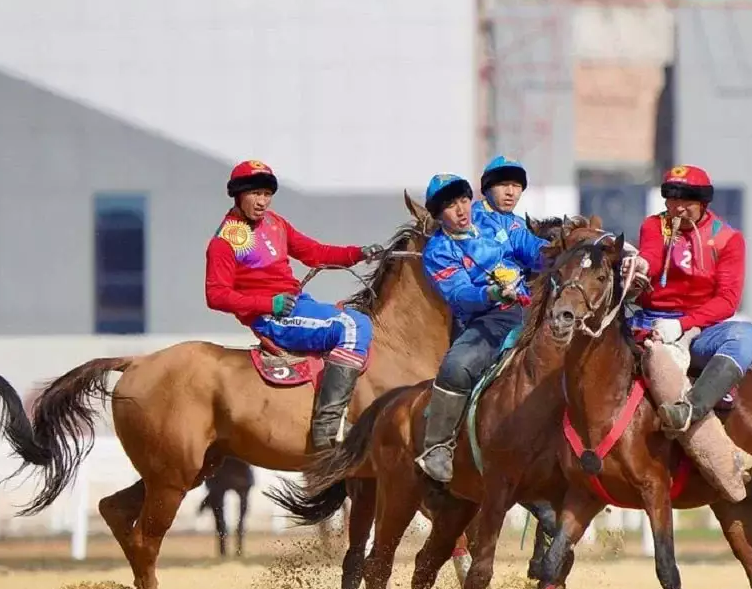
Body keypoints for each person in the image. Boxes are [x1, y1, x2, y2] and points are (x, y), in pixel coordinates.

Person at [205, 160, 383, 451]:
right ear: (238, 195)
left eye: (266, 194)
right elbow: (216, 295)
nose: (262, 201)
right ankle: (327, 427)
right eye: (255, 194)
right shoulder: (224, 242)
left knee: (362, 318)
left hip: (299, 304)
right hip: (273, 318)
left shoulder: (275, 222)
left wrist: (358, 253)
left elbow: (313, 252)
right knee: (353, 326)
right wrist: (269, 303)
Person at [415, 173, 549, 486]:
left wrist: (573, 246)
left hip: (535, 308)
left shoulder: (497, 223)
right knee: (457, 365)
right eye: (450, 206)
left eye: (463, 200)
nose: (461, 210)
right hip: (489, 317)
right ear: (438, 215)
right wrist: (492, 294)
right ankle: (437, 446)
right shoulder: (438, 251)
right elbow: (459, 294)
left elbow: (534, 249)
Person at [629, 164, 752, 440]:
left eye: (685, 199)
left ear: (703, 202)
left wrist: (680, 325)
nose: (677, 208)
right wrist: (640, 264)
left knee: (747, 335)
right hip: (645, 321)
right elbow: (652, 255)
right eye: (671, 198)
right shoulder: (654, 225)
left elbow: (727, 300)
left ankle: (692, 408)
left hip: (697, 330)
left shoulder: (728, 239)